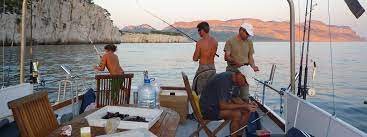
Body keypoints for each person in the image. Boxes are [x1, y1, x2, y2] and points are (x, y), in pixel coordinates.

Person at [200, 72, 258, 137]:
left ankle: (239, 135)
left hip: (218, 106)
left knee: (246, 111)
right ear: (240, 75)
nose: (245, 84)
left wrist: (248, 105)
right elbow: (223, 106)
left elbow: (234, 97)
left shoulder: (236, 81)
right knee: (236, 114)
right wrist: (245, 105)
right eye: (245, 81)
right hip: (208, 109)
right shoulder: (224, 81)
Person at [224, 23, 259, 101]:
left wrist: (253, 66)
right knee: (231, 96)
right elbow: (226, 57)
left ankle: (244, 109)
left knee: (245, 96)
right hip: (232, 71)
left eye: (249, 34)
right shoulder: (230, 41)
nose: (248, 36)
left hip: (245, 72)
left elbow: (250, 57)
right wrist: (236, 61)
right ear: (241, 30)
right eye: (247, 33)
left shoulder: (250, 43)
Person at [192, 21, 218, 95]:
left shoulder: (200, 42)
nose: (198, 33)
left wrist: (199, 53)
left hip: (203, 69)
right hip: (212, 68)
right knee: (211, 92)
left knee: (199, 93)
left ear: (202, 30)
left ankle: (200, 106)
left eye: (199, 31)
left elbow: (195, 58)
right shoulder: (215, 42)